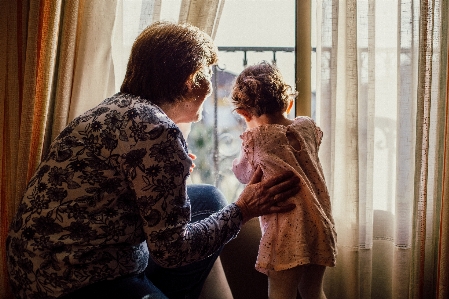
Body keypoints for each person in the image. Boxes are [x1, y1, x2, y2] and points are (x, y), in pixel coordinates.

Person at [5, 22, 300, 299]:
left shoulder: (114, 108)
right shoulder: (157, 130)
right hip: (78, 282)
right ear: (190, 80)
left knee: (208, 198)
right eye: (208, 73)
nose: (210, 84)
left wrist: (169, 174)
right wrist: (244, 208)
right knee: (215, 214)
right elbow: (172, 250)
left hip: (32, 266)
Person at [231, 62, 337, 299]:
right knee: (313, 292)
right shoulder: (307, 126)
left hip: (286, 234)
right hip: (318, 223)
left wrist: (244, 148)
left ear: (243, 113)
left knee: (281, 294)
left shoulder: (256, 139)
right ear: (288, 103)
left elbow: (244, 174)